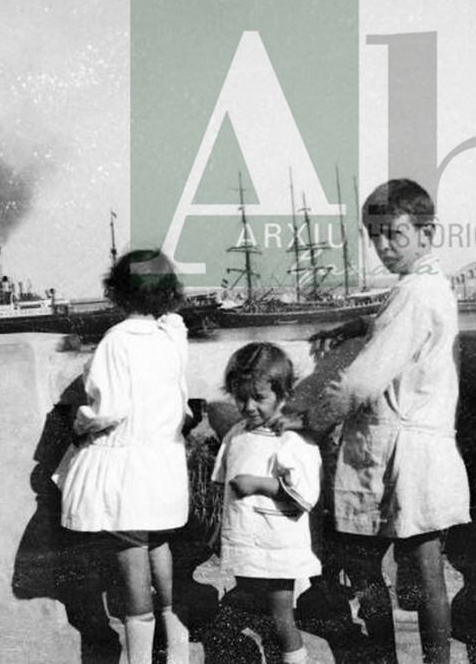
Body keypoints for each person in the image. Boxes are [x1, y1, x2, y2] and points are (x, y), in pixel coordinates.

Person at [300, 179, 470, 664]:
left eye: (394, 234)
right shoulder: (427, 286)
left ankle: (388, 658)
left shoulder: (414, 293)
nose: (383, 246)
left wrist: (311, 423)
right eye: (374, 236)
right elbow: (396, 330)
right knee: (424, 573)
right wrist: (356, 326)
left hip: (399, 450)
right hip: (422, 447)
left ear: (425, 233)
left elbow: (359, 384)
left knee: (375, 566)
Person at [52, 249, 193, 664]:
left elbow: (108, 409)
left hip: (128, 468)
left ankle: (140, 657)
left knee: (130, 551)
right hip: (162, 462)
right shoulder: (170, 337)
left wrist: (81, 423)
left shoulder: (116, 342)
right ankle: (179, 648)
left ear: (117, 293)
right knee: (157, 544)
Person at [213, 342, 321, 664]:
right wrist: (220, 531)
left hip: (276, 545)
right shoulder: (237, 433)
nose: (248, 407)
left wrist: (261, 484)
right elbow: (226, 487)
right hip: (246, 540)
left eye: (259, 398)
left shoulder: (290, 438)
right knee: (261, 617)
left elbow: (304, 495)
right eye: (240, 398)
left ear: (282, 393)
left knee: (280, 618)